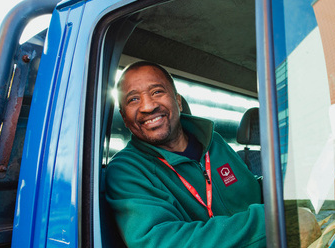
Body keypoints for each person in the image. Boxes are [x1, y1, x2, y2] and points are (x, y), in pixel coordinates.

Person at [106, 61, 266, 248]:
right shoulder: (126, 170)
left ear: (178, 102)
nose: (148, 107)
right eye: (133, 99)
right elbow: (163, 242)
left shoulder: (214, 141)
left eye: (157, 91)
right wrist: (272, 220)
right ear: (124, 118)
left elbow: (252, 192)